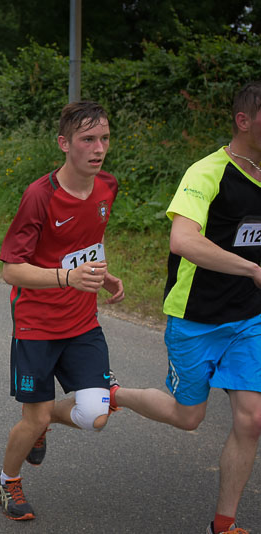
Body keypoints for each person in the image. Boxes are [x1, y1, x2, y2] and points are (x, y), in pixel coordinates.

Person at [111, 82, 261, 534]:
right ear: (243, 121)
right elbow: (183, 240)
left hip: (249, 318)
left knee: (252, 418)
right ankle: (117, 394)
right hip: (196, 317)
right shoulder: (206, 172)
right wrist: (251, 269)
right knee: (189, 416)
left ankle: (223, 525)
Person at [0, 101, 124, 521]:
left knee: (95, 416)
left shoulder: (107, 186)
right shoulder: (41, 195)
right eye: (88, 139)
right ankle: (8, 482)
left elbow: (88, 241)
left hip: (83, 322)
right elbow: (11, 269)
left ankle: (43, 416)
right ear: (64, 143)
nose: (98, 148)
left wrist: (102, 274)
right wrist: (68, 278)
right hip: (36, 324)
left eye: (104, 138)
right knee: (31, 421)